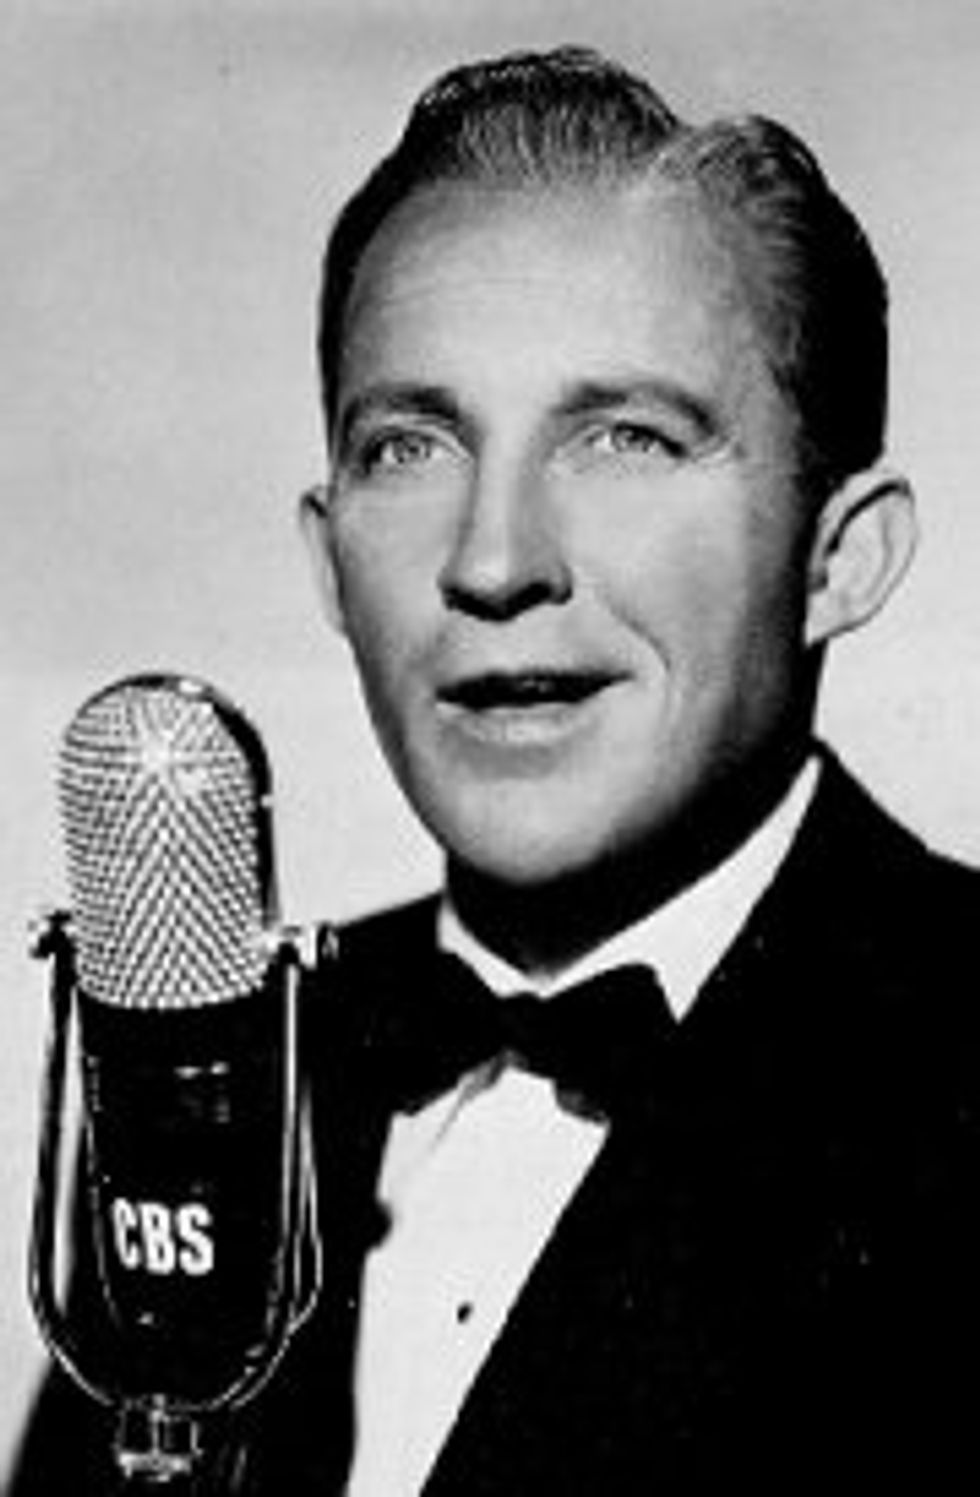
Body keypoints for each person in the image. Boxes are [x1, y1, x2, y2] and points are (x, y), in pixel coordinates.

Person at [12, 43, 980, 1494]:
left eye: (626, 438)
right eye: (411, 447)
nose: (494, 560)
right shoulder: (229, 1067)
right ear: (328, 560)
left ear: (841, 557)